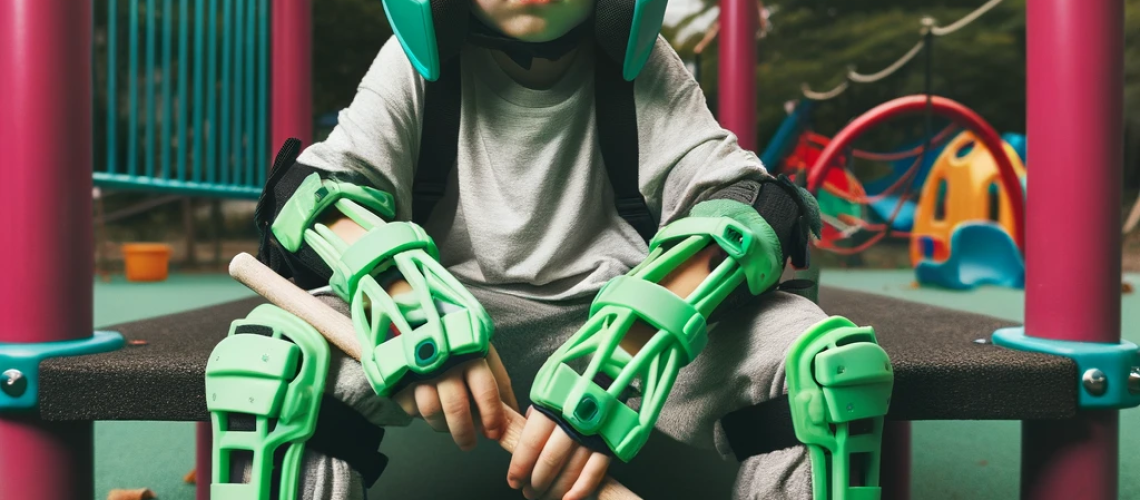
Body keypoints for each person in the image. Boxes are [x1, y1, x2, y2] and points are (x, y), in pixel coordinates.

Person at [204, 0, 888, 498]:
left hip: (615, 324)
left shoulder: (641, 64)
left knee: (824, 375)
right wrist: (417, 319)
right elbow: (312, 196)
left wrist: (622, 352)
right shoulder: (417, 65)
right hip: (453, 327)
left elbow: (750, 206)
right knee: (272, 372)